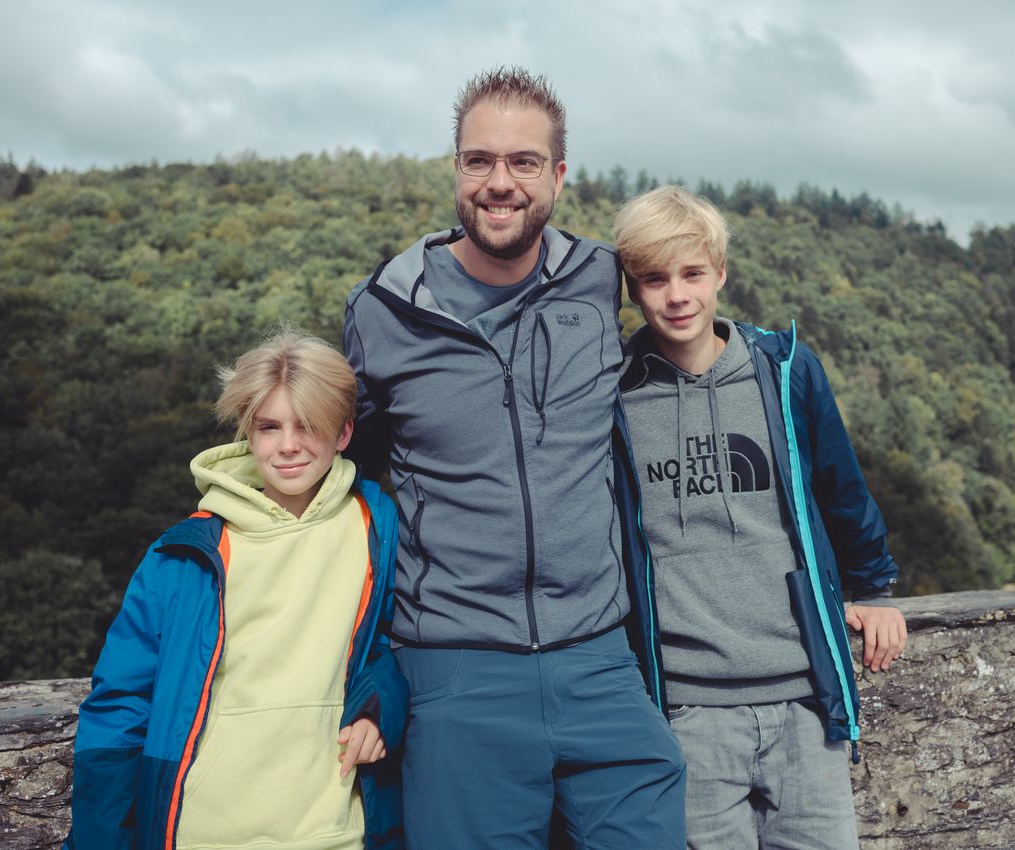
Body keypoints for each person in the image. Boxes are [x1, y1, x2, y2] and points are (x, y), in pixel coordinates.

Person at [342, 66, 685, 849]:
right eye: (480, 160)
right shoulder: (383, 311)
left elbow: (692, 329)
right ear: (456, 170)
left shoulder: (599, 278)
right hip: (457, 673)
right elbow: (335, 470)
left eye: (524, 162)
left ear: (558, 176)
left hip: (601, 662)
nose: (500, 183)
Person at [612, 185, 908, 849]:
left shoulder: (784, 371)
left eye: (692, 274)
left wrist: (874, 589)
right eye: (655, 279)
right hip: (686, 712)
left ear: (720, 273)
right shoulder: (614, 396)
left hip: (805, 701)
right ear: (633, 289)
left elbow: (841, 489)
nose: (677, 296)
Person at [64, 329, 406, 850]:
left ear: (343, 433)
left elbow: (398, 645)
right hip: (204, 833)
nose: (287, 445)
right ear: (248, 432)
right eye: (269, 427)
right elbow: (119, 705)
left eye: (308, 424)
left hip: (339, 831)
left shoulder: (377, 528)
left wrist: (381, 703)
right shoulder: (184, 555)